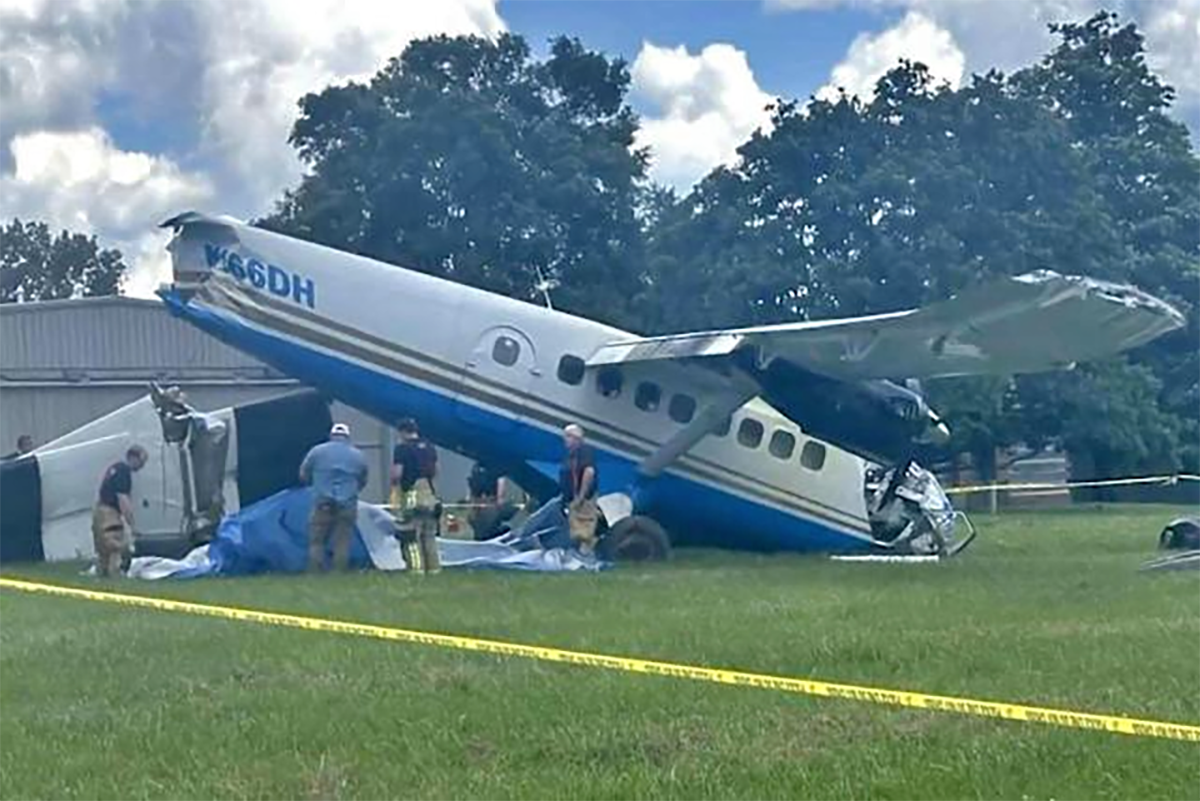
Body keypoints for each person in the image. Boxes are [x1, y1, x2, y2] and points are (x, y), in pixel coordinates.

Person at [299, 423, 368, 573]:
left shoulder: (316, 451)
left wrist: (315, 485)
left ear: (331, 436)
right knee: (342, 541)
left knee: (317, 541)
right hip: (347, 503)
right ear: (348, 437)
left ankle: (316, 572)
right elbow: (363, 479)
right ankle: (338, 572)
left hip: (322, 502)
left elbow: (303, 474)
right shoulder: (358, 455)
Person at [391, 418, 441, 574]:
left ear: (402, 432)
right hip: (429, 492)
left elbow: (397, 474)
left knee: (410, 534)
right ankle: (433, 569)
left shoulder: (402, 449)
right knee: (429, 534)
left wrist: (394, 487)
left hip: (412, 493)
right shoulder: (430, 446)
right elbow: (436, 470)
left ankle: (415, 568)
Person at [91, 445, 148, 577]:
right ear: (133, 457)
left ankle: (101, 578)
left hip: (99, 511)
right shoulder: (124, 472)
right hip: (110, 514)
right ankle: (115, 578)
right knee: (116, 547)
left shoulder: (115, 468)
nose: (142, 466)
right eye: (142, 461)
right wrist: (132, 525)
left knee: (103, 551)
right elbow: (123, 500)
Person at [560, 424, 599, 554]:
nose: (565, 439)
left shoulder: (584, 452)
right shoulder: (571, 455)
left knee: (584, 531)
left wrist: (581, 497)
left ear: (576, 438)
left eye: (567, 436)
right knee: (576, 529)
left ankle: (587, 553)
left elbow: (589, 471)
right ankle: (581, 553)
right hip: (574, 498)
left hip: (583, 499)